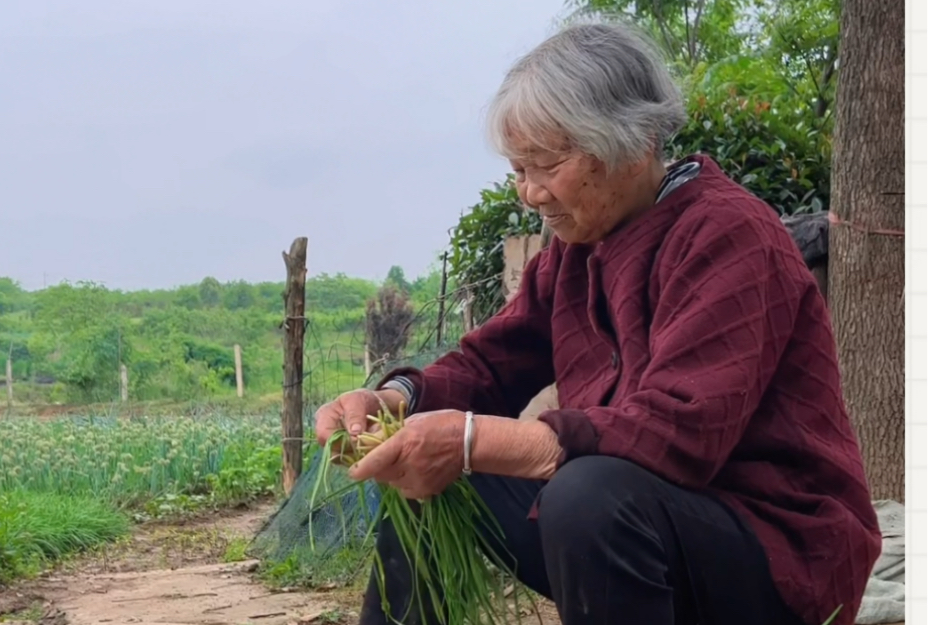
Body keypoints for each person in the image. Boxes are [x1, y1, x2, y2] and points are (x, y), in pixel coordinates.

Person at [315, 21, 881, 625]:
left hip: (773, 546)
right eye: (517, 170)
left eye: (546, 165)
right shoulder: (577, 248)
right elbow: (491, 362)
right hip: (640, 524)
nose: (529, 193)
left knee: (586, 495)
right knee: (429, 474)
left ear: (634, 143)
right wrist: (396, 400)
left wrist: (477, 439)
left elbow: (678, 432)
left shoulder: (732, 234)